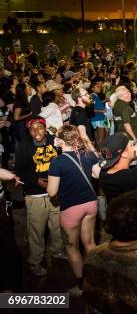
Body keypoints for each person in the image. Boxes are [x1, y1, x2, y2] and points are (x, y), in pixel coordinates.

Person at [47, 125, 99, 296]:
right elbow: (98, 174)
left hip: (71, 208)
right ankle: (99, 280)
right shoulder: (88, 154)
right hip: (91, 203)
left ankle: (82, 286)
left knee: (71, 246)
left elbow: (52, 192)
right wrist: (85, 138)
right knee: (90, 243)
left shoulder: (57, 162)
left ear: (61, 141)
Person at [14, 117, 62, 277]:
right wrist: (35, 181)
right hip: (35, 196)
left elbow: (64, 160)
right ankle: (35, 262)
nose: (36, 132)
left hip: (55, 193)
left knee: (57, 227)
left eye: (39, 128)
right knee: (37, 232)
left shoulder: (55, 141)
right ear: (28, 131)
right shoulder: (24, 146)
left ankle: (57, 252)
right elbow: (19, 171)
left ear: (45, 128)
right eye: (32, 129)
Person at [70, 86, 96, 152]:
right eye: (85, 94)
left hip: (86, 146)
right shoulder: (79, 112)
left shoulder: (81, 110)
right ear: (79, 98)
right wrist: (94, 151)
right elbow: (83, 135)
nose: (89, 96)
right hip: (84, 148)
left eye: (88, 93)